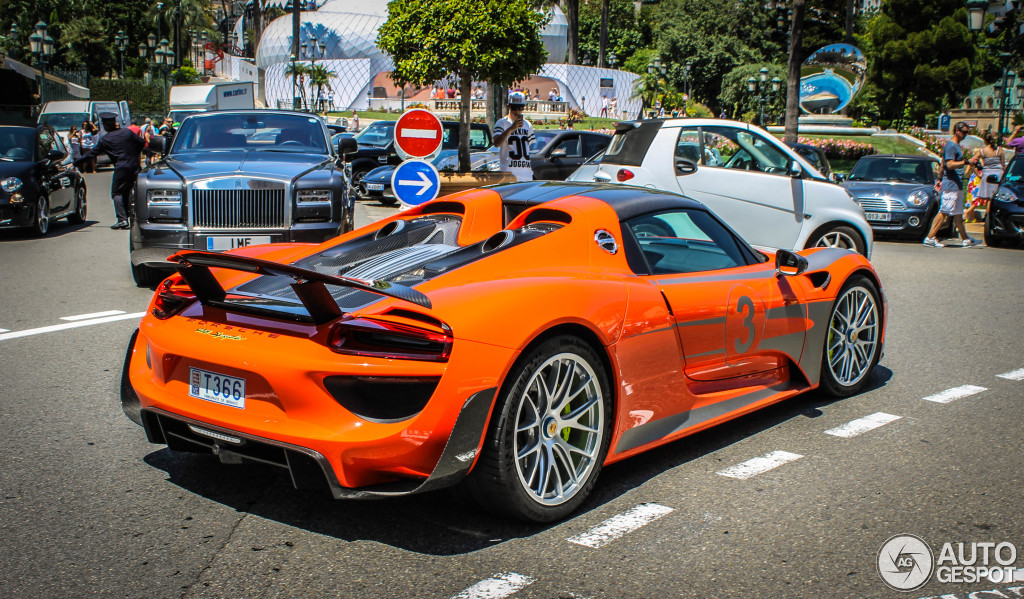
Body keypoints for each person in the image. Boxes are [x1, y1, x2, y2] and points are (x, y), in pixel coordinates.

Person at [74, 112, 145, 230]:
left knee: (117, 193)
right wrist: (134, 153)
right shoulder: (127, 132)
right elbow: (142, 143)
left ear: (105, 126)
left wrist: (76, 162)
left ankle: (122, 220)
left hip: (121, 167)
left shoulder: (105, 140)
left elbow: (92, 153)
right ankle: (134, 216)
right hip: (135, 166)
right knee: (131, 191)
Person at [923, 121, 981, 248]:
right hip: (952, 184)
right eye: (965, 132)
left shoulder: (955, 146)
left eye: (968, 132)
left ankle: (965, 239)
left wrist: (940, 178)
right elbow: (949, 164)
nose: (966, 134)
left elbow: (943, 164)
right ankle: (930, 237)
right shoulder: (951, 146)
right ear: (957, 131)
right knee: (944, 211)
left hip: (956, 184)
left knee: (958, 213)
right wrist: (967, 161)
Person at [493, 91, 536, 182]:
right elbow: (496, 143)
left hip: (526, 175)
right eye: (514, 108)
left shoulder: (527, 125)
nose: (517, 111)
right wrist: (511, 129)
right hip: (509, 174)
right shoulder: (502, 123)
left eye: (520, 108)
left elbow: (529, 148)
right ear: (509, 106)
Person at [967, 130, 1005, 222]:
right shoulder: (999, 150)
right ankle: (995, 218)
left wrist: (978, 174)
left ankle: (987, 218)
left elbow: (971, 163)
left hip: (987, 176)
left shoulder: (982, 151)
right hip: (998, 175)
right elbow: (1003, 165)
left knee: (988, 199)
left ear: (985, 141)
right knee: (998, 198)